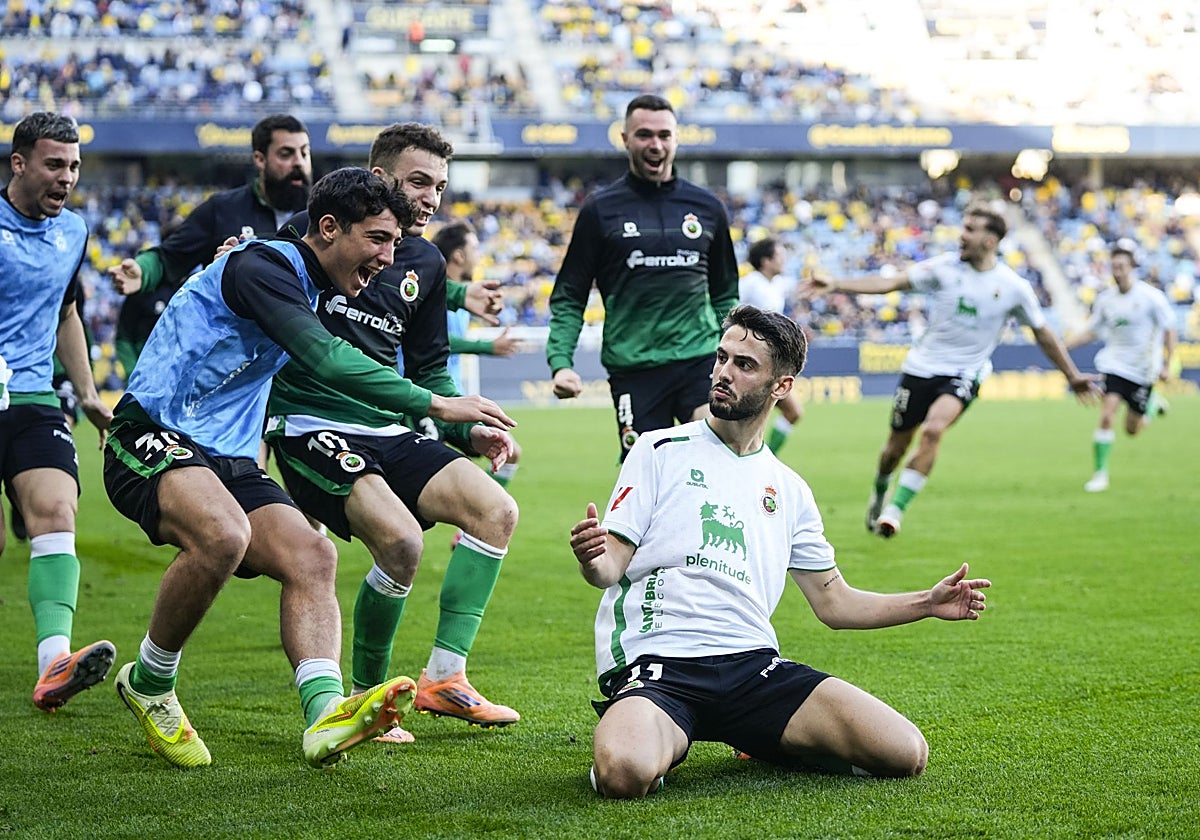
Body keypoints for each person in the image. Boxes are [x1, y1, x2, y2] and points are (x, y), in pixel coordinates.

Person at [103, 166, 516, 769]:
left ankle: (325, 715)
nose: (388, 257)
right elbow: (324, 358)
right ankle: (150, 680)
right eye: (378, 239)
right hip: (150, 432)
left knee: (313, 557)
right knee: (224, 534)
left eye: (395, 243)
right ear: (328, 228)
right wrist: (437, 405)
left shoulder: (309, 280)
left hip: (226, 457)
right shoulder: (262, 268)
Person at [569, 304, 992, 799]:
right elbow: (609, 568)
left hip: (753, 669)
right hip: (662, 663)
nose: (724, 373)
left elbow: (834, 603)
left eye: (745, 365)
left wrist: (927, 603)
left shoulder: (789, 489)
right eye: (722, 358)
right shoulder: (658, 449)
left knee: (905, 753)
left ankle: (763, 738)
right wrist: (592, 557)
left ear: (781, 386)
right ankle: (657, 739)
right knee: (624, 774)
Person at [265, 125, 521, 745]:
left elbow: (430, 366)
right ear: (379, 179)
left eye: (440, 186)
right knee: (402, 541)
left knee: (496, 511)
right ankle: (367, 697)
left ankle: (445, 677)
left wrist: (470, 432)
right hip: (309, 421)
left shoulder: (426, 262)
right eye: (418, 182)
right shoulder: (309, 234)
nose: (431, 198)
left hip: (388, 424)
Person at [803, 204, 1098, 538]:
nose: (962, 235)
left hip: (965, 372)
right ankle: (881, 489)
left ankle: (895, 510)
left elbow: (1043, 333)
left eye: (971, 229)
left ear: (990, 240)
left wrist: (1072, 375)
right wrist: (836, 284)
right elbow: (891, 283)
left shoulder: (1013, 287)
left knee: (933, 430)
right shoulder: (943, 268)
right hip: (920, 369)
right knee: (894, 450)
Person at [547, 94, 739, 461]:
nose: (656, 144)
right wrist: (561, 363)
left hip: (698, 360)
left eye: (664, 135)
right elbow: (570, 295)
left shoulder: (708, 208)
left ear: (677, 139)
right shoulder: (600, 210)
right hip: (634, 368)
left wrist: (734, 351)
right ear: (625, 139)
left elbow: (725, 293)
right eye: (644, 135)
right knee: (648, 472)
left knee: (717, 454)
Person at [0, 112, 115, 712]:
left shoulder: (74, 230)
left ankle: (54, 664)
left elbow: (66, 312)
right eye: (54, 165)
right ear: (19, 163)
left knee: (56, 510)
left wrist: (89, 393)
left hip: (34, 395)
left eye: (73, 166)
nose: (66, 177)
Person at [107, 113, 313, 375]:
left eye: (304, 153)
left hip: (301, 363)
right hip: (234, 365)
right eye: (286, 154)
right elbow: (169, 257)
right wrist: (142, 270)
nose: (299, 163)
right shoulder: (222, 210)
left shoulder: (322, 217)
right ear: (259, 159)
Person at [1066, 241, 1177, 492]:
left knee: (1132, 430)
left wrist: (1168, 364)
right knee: (1107, 416)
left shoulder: (1151, 298)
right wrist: (1063, 347)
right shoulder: (1106, 300)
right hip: (1114, 364)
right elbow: (1092, 331)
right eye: (1113, 267)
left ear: (1132, 267)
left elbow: (1170, 328)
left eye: (1121, 267)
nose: (1117, 272)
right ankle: (1100, 474)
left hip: (1143, 369)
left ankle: (1150, 406)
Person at [433, 219, 523, 490]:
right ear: (458, 255)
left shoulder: (462, 297)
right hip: (431, 397)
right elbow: (435, 341)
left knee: (509, 451)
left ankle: (478, 514)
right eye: (474, 248)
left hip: (453, 395)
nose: (479, 255)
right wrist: (488, 347)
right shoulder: (433, 292)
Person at [739, 236, 804, 453]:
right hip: (749, 359)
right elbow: (729, 313)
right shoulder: (749, 283)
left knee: (792, 412)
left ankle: (765, 458)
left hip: (769, 358)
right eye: (779, 256)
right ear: (766, 261)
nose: (784, 260)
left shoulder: (775, 284)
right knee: (749, 416)